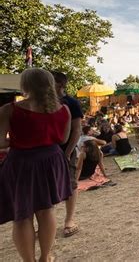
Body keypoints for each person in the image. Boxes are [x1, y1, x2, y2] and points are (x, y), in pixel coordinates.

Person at [0, 68, 72, 261]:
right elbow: (63, 138)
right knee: (46, 209)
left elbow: (0, 141)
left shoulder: (10, 109)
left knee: (22, 214)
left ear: (25, 85)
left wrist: (16, 141)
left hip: (21, 162)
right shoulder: (63, 109)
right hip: (51, 160)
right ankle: (45, 257)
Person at [52, 71, 82, 238]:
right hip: (47, 151)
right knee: (48, 187)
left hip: (65, 150)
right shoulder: (43, 103)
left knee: (70, 184)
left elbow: (77, 130)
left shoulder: (72, 103)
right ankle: (47, 222)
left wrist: (68, 152)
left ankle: (69, 220)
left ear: (60, 84)